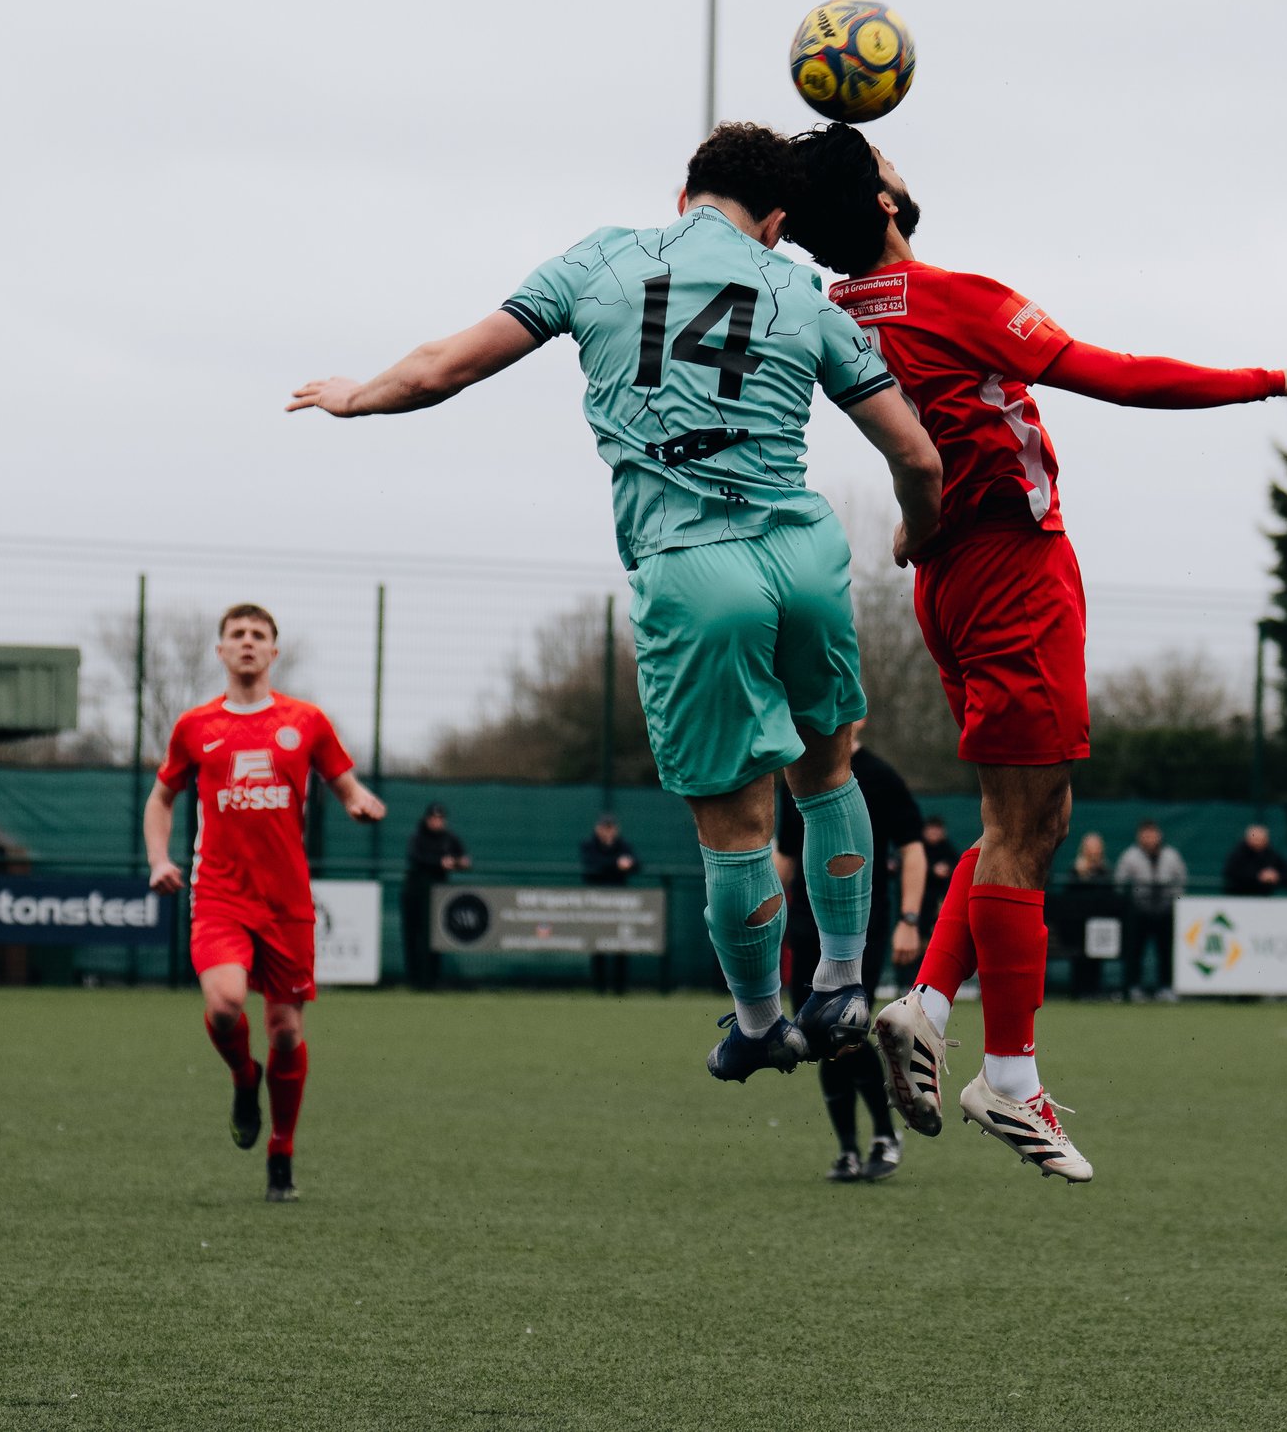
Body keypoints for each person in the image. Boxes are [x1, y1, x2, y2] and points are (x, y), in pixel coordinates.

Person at [289, 122, 943, 1085]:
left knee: (736, 827)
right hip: (805, 555)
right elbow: (917, 454)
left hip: (695, 569)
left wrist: (356, 397)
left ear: (683, 197)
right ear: (776, 222)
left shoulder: (600, 261)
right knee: (829, 777)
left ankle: (761, 1023)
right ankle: (843, 985)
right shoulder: (801, 290)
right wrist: (916, 532)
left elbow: (441, 367)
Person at [785, 122, 1287, 1181]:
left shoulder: (837, 313)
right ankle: (1009, 1077)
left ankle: (927, 1005)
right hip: (1012, 572)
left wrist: (920, 518)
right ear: (879, 201)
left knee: (1025, 820)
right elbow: (1118, 373)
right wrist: (1275, 379)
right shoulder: (952, 298)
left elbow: (925, 441)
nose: (903, 170)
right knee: (1026, 833)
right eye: (887, 164)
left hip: (950, 578)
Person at [145, 603, 386, 1201]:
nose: (247, 642)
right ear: (221, 650)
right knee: (226, 1004)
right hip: (220, 894)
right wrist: (159, 859)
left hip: (287, 902)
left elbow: (345, 784)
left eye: (258, 635)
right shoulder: (195, 726)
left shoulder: (306, 721)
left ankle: (281, 1152)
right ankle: (241, 1076)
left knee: (284, 1031)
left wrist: (358, 801)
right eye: (237, 634)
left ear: (274, 652)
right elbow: (161, 798)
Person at [774, 732, 927, 1181]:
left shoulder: (880, 776)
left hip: (864, 926)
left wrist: (910, 918)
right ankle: (847, 1150)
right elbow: (786, 854)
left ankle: (884, 1135)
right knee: (815, 1036)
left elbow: (913, 850)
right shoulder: (796, 771)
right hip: (807, 926)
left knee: (846, 1030)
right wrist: (757, 917)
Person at [1114, 821, 1189, 1001]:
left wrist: (1171, 899)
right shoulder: (1130, 856)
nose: (1149, 838)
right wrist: (1137, 895)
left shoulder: (1171, 855)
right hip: (1139, 911)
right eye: (1146, 834)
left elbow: (1181, 880)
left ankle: (1166, 987)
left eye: (1153, 834)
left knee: (1166, 952)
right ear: (1139, 836)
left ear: (1159, 835)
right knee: (1134, 951)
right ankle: (1133, 987)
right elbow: (1120, 881)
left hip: (1165, 911)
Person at [403, 802, 470, 986]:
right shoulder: (418, 837)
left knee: (435, 936)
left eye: (440, 819)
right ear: (427, 819)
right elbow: (416, 857)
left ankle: (432, 979)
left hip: (439, 895)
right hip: (416, 892)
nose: (437, 822)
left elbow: (464, 860)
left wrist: (456, 863)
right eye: (433, 818)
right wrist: (439, 862)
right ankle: (414, 979)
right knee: (414, 935)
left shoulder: (449, 838)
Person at [579, 814, 640, 996]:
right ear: (598, 829)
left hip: (620, 903)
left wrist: (627, 865)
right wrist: (616, 864)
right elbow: (592, 866)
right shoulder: (589, 845)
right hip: (597, 902)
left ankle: (620, 988)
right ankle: (599, 988)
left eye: (611, 827)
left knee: (621, 944)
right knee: (598, 945)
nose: (608, 831)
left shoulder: (623, 845)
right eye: (604, 827)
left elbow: (636, 865)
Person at [1065, 831, 1115, 1001]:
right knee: (1079, 956)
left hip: (1098, 923)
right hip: (1078, 926)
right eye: (1090, 847)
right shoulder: (1075, 870)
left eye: (1097, 847)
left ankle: (1094, 989)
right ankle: (1079, 990)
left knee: (1096, 956)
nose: (1094, 850)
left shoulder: (1105, 871)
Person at [1223, 823, 1287, 895]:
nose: (1257, 843)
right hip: (1240, 896)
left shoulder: (1271, 854)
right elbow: (1232, 873)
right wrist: (1258, 876)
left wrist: (1276, 876)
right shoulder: (1238, 854)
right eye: (1255, 839)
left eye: (1261, 840)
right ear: (1247, 839)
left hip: (1265, 897)